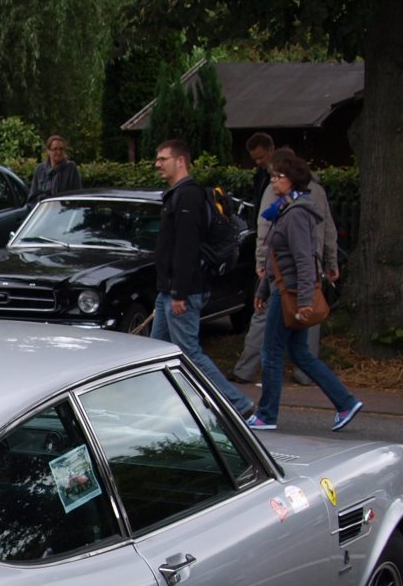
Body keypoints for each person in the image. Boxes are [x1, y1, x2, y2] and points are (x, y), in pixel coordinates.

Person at [247, 151, 362, 432]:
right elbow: (278, 256)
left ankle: (266, 415)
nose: (273, 181)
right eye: (272, 176)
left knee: (271, 352)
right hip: (284, 289)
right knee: (299, 353)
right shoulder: (287, 209)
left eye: (278, 176)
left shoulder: (296, 214)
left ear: (293, 180)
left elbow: (303, 258)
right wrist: (263, 288)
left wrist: (305, 299)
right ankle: (345, 402)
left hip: (290, 293)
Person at [151, 139, 256, 417]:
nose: (158, 164)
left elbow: (186, 248)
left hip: (181, 291)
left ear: (181, 161)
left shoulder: (188, 196)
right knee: (154, 353)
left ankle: (237, 403)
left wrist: (179, 293)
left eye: (163, 159)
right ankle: (161, 408)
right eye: (157, 159)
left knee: (188, 352)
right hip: (169, 290)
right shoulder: (177, 195)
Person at [230, 150, 339, 385]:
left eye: (277, 174)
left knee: (267, 319)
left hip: (284, 269)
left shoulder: (280, 197)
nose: (273, 179)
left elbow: (266, 229)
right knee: (307, 322)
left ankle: (246, 370)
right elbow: (328, 229)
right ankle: (306, 374)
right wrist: (331, 262)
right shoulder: (316, 192)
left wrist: (261, 262)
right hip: (313, 265)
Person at [28, 134, 82, 204]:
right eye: (55, 149)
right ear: (48, 151)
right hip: (44, 211)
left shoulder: (71, 168)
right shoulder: (40, 169)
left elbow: (77, 195)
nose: (59, 152)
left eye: (61, 149)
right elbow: (32, 198)